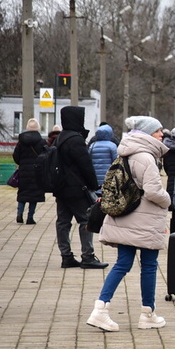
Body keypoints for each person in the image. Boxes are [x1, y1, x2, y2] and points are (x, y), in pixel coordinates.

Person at [86, 116, 172, 332]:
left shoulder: (126, 152)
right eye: (158, 131)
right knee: (149, 266)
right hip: (145, 220)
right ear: (147, 134)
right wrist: (168, 199)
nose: (162, 134)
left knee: (123, 264)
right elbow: (153, 191)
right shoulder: (146, 157)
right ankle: (148, 314)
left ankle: (100, 310)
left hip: (126, 217)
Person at [52, 106, 108, 270]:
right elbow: (86, 166)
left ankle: (66, 256)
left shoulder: (60, 138)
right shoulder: (75, 140)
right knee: (86, 220)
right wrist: (94, 185)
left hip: (61, 187)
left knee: (63, 222)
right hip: (76, 188)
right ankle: (87, 256)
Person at [12, 118, 46, 224]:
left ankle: (19, 214)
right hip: (37, 172)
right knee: (34, 195)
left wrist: (22, 164)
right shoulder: (41, 142)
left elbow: (16, 156)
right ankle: (30, 217)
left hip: (24, 171)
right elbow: (45, 157)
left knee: (22, 193)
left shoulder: (21, 142)